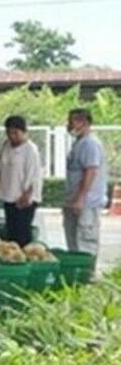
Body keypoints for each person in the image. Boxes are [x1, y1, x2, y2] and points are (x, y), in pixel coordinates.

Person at [64, 108, 110, 255]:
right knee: (74, 242)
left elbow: (91, 171)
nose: (69, 125)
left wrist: (80, 199)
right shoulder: (79, 142)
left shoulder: (90, 143)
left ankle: (86, 276)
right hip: (76, 201)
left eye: (72, 121)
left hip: (87, 203)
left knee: (85, 243)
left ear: (83, 122)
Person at [0, 115, 44, 247]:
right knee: (11, 233)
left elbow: (34, 174)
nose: (12, 136)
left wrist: (27, 194)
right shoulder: (6, 146)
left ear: (24, 132)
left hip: (24, 199)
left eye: (16, 133)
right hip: (8, 196)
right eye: (9, 133)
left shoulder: (30, 149)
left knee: (22, 234)